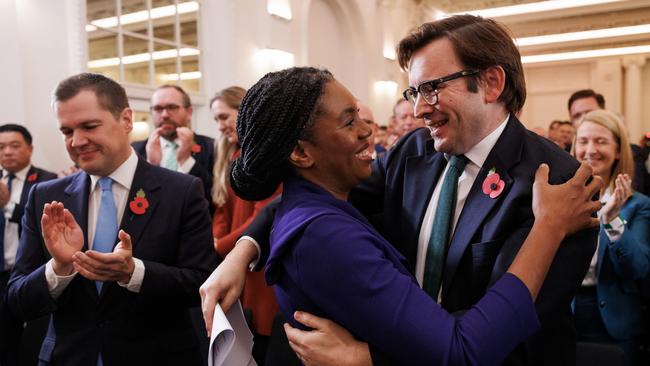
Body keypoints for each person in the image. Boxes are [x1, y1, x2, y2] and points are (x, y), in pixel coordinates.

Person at [201, 15, 598, 365]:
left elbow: (511, 330)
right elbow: (315, 197)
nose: (420, 109)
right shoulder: (415, 150)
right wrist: (244, 250)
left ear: (491, 82)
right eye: (414, 93)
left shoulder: (559, 186)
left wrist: (371, 358)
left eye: (432, 88)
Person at [7, 73, 216, 365]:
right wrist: (59, 267)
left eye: (89, 126)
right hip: (69, 357)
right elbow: (16, 301)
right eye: (66, 131)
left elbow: (201, 282)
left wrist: (133, 272)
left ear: (127, 120)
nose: (77, 141)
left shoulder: (180, 191)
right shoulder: (45, 197)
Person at [571, 109, 650, 366]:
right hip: (566, 317)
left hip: (615, 322)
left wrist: (612, 218)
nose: (590, 149)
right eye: (583, 141)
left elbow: (638, 268)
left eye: (600, 141)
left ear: (618, 150)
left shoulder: (639, 205)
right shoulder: (561, 199)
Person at [210, 86, 281, 363]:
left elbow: (261, 216)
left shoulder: (265, 155)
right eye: (216, 119)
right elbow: (220, 207)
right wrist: (217, 242)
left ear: (245, 112)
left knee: (260, 338)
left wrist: (223, 245)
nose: (221, 125)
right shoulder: (229, 156)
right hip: (231, 259)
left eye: (225, 117)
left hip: (257, 259)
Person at [0, 124, 57, 365]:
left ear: (30, 149)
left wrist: (8, 206)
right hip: (0, 272)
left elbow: (42, 223)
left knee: (30, 337)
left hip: (28, 272)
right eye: (1, 147)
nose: (7, 152)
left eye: (15, 145)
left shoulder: (48, 181)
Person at [132, 84, 215, 206]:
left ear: (189, 112)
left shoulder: (210, 147)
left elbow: (216, 197)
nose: (165, 114)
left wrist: (186, 161)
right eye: (158, 109)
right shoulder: (135, 150)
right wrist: (151, 166)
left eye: (172, 107)